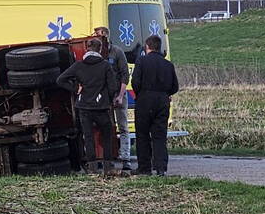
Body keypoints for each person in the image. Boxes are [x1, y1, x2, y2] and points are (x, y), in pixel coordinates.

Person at [56, 37, 119, 172]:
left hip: (84, 107)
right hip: (101, 107)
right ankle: (108, 167)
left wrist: (75, 89)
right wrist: (106, 98)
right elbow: (113, 87)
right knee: (106, 136)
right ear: (100, 49)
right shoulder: (105, 65)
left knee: (88, 136)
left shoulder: (78, 65)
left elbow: (60, 80)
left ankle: (92, 168)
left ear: (86, 49)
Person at [131, 35, 179, 176]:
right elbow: (175, 87)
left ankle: (144, 168)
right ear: (159, 47)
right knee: (159, 136)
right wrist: (164, 93)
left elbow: (135, 82)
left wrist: (141, 94)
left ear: (147, 47)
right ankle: (160, 168)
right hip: (162, 101)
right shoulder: (168, 65)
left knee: (143, 135)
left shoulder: (141, 61)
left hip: (144, 100)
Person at [94, 26, 132, 170]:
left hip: (117, 93)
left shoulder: (117, 52)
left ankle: (125, 158)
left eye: (101, 35)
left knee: (123, 126)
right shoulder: (95, 54)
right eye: (97, 35)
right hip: (103, 96)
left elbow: (124, 75)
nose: (99, 37)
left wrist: (121, 95)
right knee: (103, 126)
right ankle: (104, 157)